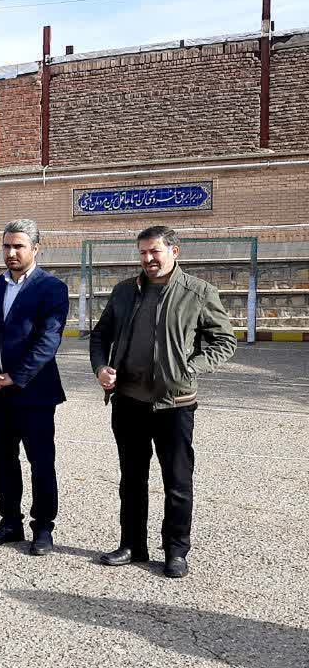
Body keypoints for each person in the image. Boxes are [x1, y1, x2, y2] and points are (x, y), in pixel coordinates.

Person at [89, 226, 236, 579]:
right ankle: (132, 545)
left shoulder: (198, 292)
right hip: (129, 402)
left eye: (154, 251)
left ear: (174, 252)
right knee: (132, 479)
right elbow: (100, 335)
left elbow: (224, 341)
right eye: (142, 252)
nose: (148, 259)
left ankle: (175, 551)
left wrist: (190, 368)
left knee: (178, 482)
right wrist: (101, 368)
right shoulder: (125, 291)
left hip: (175, 404)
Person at [0, 219, 69, 556]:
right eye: (7, 246)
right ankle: (10, 521)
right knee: (2, 460)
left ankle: (43, 527)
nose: (11, 252)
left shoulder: (52, 288)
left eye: (19, 246)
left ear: (35, 249)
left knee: (40, 462)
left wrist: (16, 375)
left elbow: (48, 341)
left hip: (34, 392)